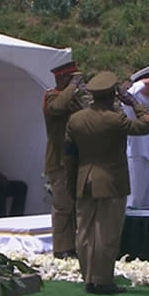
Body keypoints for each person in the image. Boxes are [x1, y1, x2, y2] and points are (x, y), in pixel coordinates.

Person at [64, 70, 149, 294]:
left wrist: (71, 182)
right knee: (107, 232)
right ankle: (103, 280)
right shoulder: (116, 119)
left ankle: (88, 277)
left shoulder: (76, 120)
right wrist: (134, 103)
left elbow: (69, 155)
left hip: (84, 180)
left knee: (84, 232)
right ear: (113, 95)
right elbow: (146, 125)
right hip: (111, 181)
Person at [43, 61, 87, 258]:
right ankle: (61, 248)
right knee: (62, 206)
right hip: (59, 160)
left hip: (75, 160)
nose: (75, 83)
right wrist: (72, 87)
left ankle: (73, 246)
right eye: (71, 78)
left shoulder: (73, 99)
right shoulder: (52, 95)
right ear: (61, 78)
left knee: (75, 206)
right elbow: (57, 108)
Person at [121, 65, 149, 208]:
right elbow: (126, 95)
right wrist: (141, 83)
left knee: (148, 203)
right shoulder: (133, 102)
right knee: (135, 201)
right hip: (138, 155)